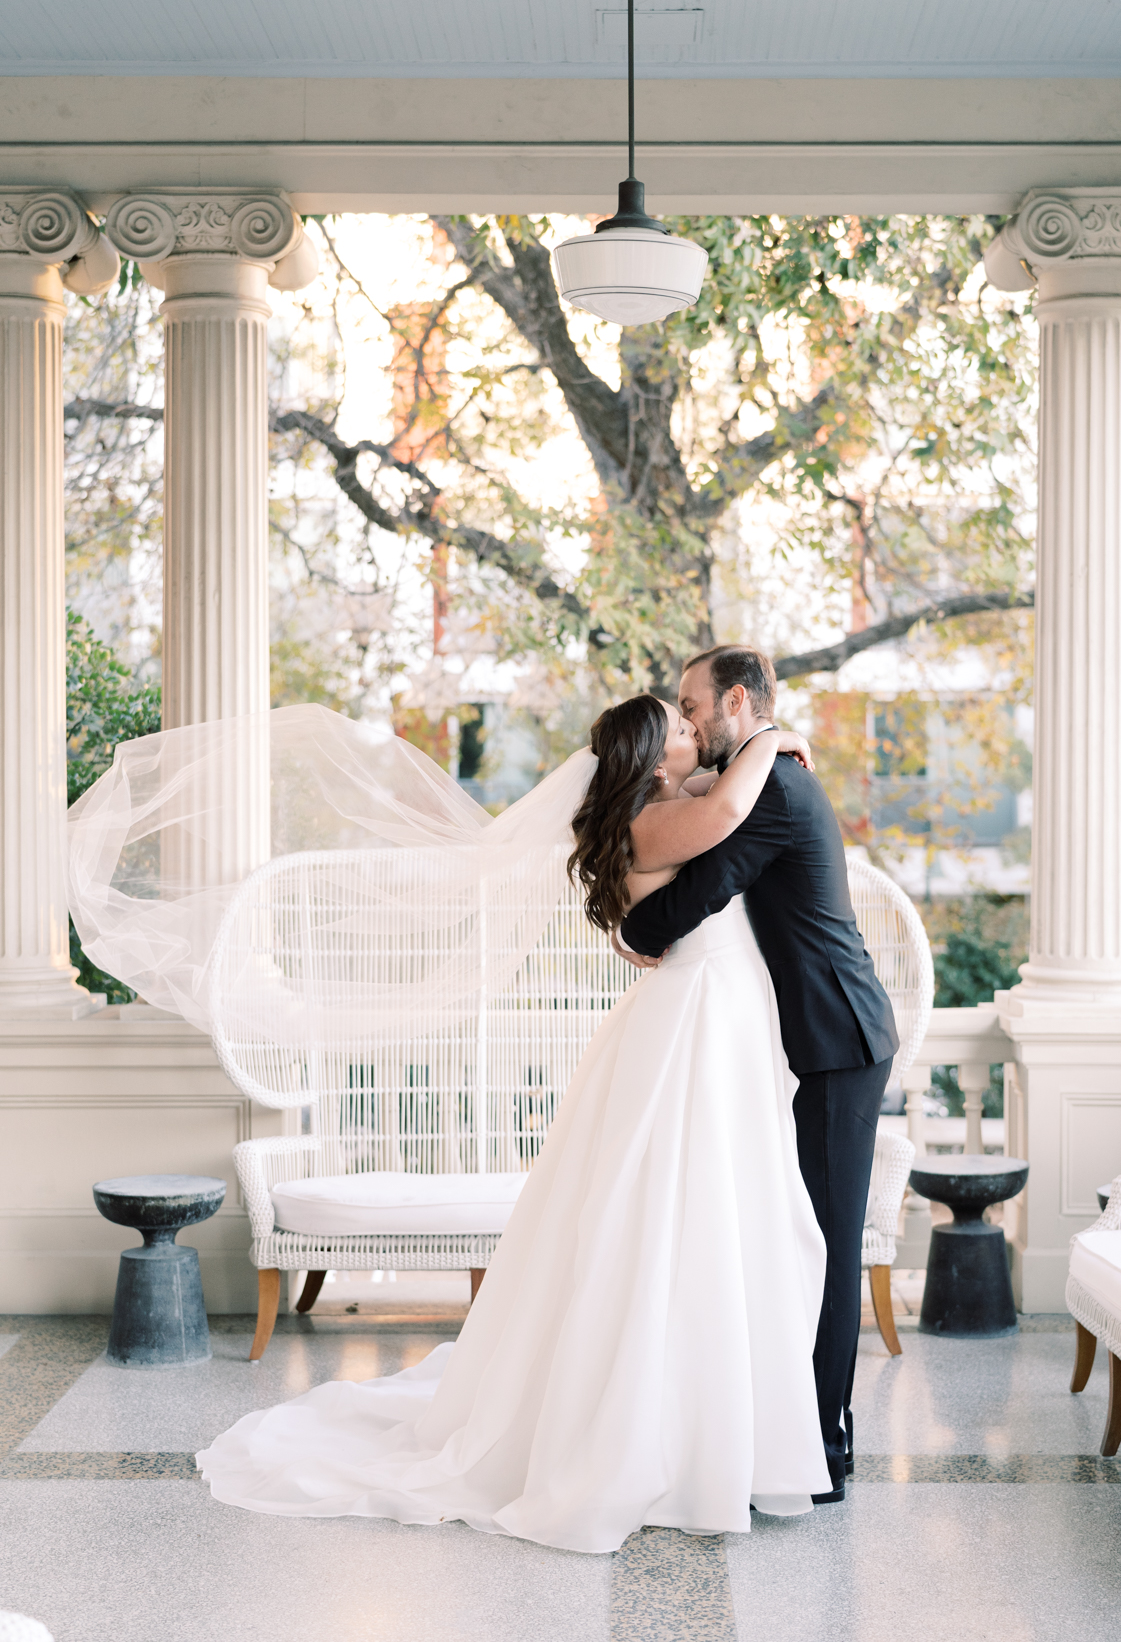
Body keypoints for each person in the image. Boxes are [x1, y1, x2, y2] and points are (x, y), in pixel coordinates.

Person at [196, 696, 834, 1551]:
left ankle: (706, 1423)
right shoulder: (661, 817)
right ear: (651, 760)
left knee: (714, 1213)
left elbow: (709, 815)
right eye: (681, 730)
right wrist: (774, 737)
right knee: (672, 1218)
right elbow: (725, 808)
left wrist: (748, 751)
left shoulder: (656, 809)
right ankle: (661, 1438)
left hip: (711, 1012)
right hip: (695, 1020)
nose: (694, 733)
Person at [619, 646, 900, 1503]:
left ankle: (824, 1444)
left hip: (840, 1040)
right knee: (805, 1237)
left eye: (693, 704)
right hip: (820, 1039)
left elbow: (695, 893)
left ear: (736, 701)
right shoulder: (760, 773)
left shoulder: (771, 789)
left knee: (827, 1243)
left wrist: (633, 926)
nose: (689, 718)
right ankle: (799, 1429)